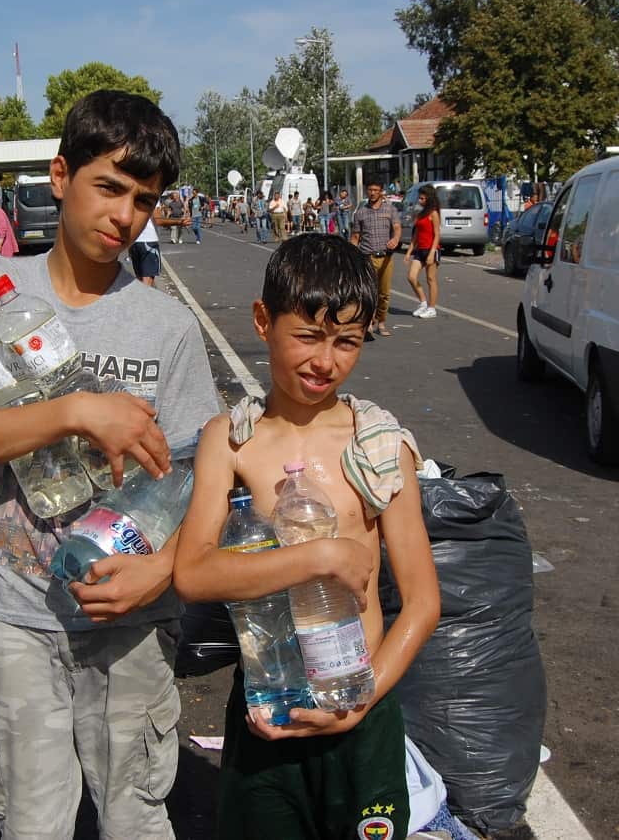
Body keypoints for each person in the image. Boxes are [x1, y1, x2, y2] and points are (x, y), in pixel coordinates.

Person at [0, 89, 220, 839]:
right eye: (109, 187)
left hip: (133, 621)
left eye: (145, 200)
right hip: (17, 617)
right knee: (33, 825)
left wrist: (160, 573)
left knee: (134, 820)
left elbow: (205, 477)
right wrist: (74, 410)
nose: (125, 216)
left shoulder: (168, 327)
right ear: (61, 176)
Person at [172, 232, 440, 840]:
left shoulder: (379, 444)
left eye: (347, 342)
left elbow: (422, 603)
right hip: (269, 705)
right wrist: (318, 555)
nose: (326, 361)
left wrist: (362, 703)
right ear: (263, 321)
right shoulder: (231, 440)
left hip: (360, 709)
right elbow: (194, 574)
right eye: (308, 336)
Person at [350, 180, 401, 337]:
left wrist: (395, 239)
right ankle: (369, 322)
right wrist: (351, 255)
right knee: (370, 292)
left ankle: (382, 322)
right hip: (367, 257)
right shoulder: (361, 213)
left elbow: (397, 228)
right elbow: (356, 236)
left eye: (376, 190)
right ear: (367, 191)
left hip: (385, 257)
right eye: (370, 189)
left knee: (384, 293)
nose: (372, 193)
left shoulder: (390, 209)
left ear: (381, 191)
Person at [407, 185, 442, 319]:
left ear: (429, 199)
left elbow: (437, 234)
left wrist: (432, 252)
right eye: (419, 198)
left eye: (422, 198)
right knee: (411, 276)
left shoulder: (434, 213)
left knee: (430, 279)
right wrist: (409, 250)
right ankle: (423, 302)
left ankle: (432, 308)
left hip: (431, 249)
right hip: (420, 249)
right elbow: (416, 234)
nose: (420, 200)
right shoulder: (420, 214)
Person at [129, 206, 162, 286]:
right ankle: (145, 298)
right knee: (147, 279)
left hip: (133, 241)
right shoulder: (153, 197)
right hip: (148, 240)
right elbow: (159, 221)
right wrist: (179, 222)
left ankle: (142, 297)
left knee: (140, 278)